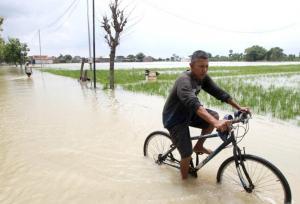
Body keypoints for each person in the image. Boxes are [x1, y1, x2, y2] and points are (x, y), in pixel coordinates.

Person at [162, 50, 250, 180]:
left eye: (206, 66)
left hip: (189, 113)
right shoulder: (184, 81)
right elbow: (194, 103)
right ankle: (185, 183)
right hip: (174, 118)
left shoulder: (203, 78)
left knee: (214, 115)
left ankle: (199, 146)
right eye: (201, 66)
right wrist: (216, 123)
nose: (204, 70)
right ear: (191, 66)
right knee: (186, 154)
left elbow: (219, 93)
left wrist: (239, 108)